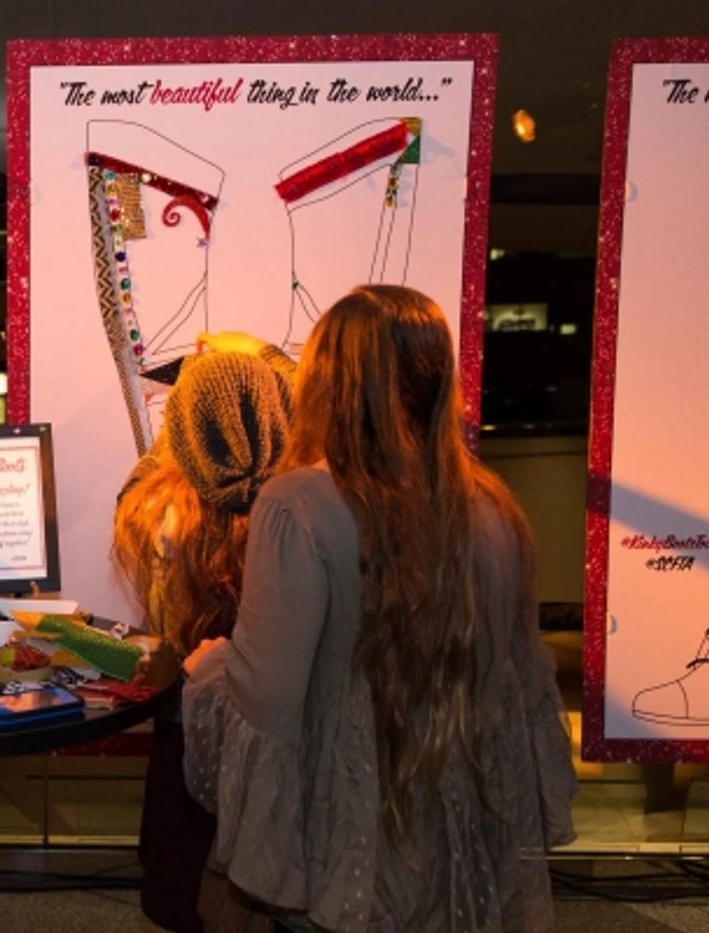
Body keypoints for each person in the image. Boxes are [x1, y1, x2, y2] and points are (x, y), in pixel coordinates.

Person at [182, 285, 577, 932]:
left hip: (350, 843)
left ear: (325, 384)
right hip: (458, 838)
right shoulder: (492, 508)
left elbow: (267, 705)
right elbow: (518, 695)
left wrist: (208, 670)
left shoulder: (296, 507)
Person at [112, 348, 292, 933]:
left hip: (187, 725)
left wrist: (185, 419)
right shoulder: (298, 508)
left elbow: (141, 478)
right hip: (273, 735)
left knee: (181, 890)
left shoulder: (161, 512)